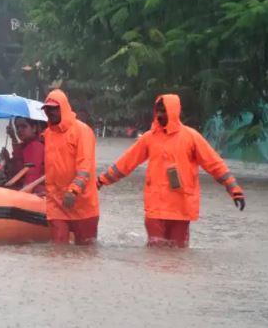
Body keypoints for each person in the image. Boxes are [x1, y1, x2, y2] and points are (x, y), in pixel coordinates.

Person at [98, 94, 246, 248]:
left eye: (164, 110)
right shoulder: (149, 138)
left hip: (181, 208)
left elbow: (214, 164)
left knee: (178, 257)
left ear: (175, 111)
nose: (160, 115)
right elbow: (126, 163)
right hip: (156, 208)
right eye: (158, 111)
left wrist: (234, 189)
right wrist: (101, 180)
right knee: (155, 255)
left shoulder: (191, 137)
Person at [42, 89, 99, 245]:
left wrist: (74, 190)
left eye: (54, 108)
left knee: (86, 252)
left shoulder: (82, 131)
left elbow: (85, 165)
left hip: (83, 203)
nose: (49, 112)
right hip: (56, 203)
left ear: (64, 108)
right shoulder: (47, 134)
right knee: (58, 251)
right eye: (47, 108)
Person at [0, 117, 45, 191]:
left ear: (34, 128)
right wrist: (7, 159)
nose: (19, 130)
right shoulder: (25, 145)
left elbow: (31, 176)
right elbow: (17, 168)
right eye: (17, 127)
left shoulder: (35, 146)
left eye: (24, 126)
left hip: (35, 191)